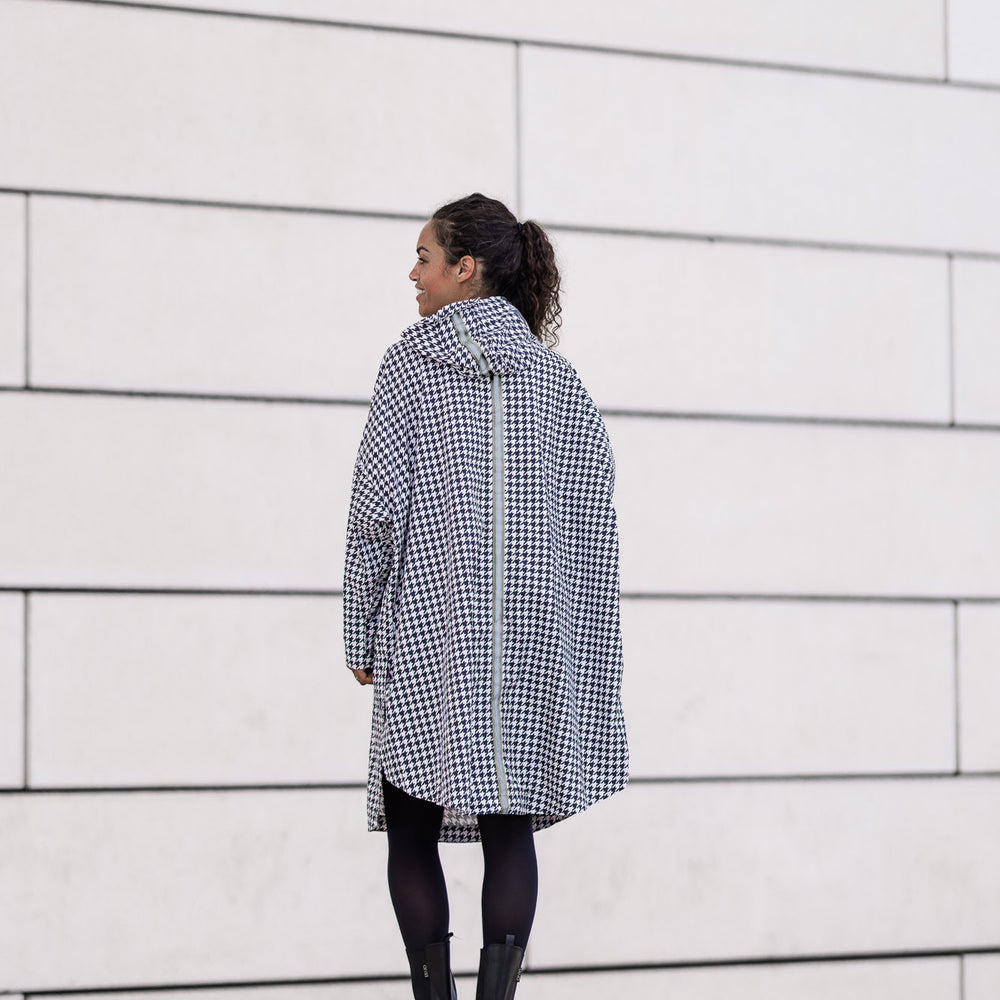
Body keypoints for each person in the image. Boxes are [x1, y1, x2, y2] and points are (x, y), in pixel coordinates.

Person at [343, 192, 629, 999]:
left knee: (411, 823)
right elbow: (592, 518)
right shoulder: (559, 380)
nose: (415, 272)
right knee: (510, 831)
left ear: (466, 269)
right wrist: (578, 641)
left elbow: (376, 512)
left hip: (432, 634)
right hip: (533, 640)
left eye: (426, 258)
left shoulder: (411, 363)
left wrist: (361, 629)